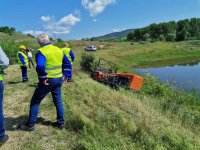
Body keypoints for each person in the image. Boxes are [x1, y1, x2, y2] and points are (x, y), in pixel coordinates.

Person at [18, 33, 71, 131]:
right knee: (58, 101)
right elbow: (67, 63)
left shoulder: (41, 51)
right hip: (59, 79)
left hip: (48, 81)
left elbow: (40, 66)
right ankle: (61, 123)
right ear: (49, 39)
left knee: (35, 101)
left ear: (39, 42)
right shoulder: (58, 49)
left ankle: (30, 125)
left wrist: (42, 78)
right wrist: (66, 75)